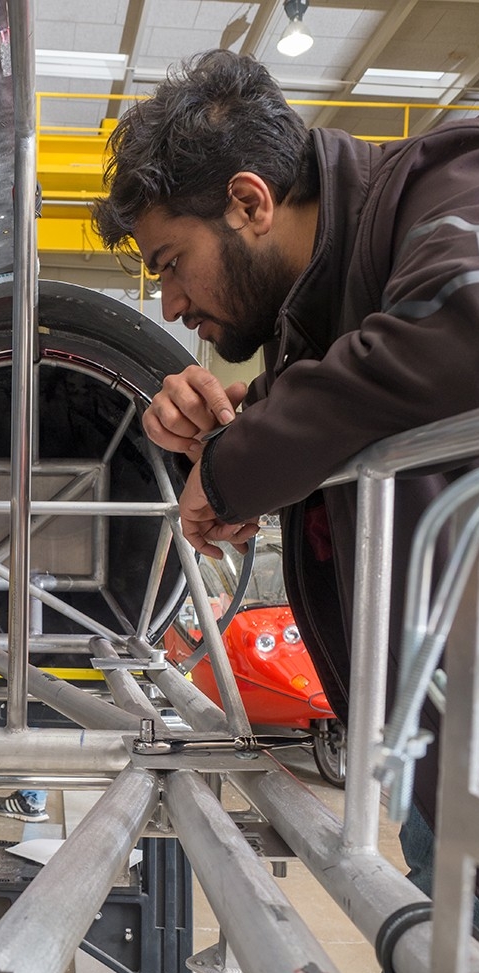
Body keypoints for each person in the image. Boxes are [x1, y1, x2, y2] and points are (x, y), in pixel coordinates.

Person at [92, 49, 479, 905]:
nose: (169, 304)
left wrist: (235, 467)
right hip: (438, 759)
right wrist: (220, 432)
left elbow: (459, 324)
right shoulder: (314, 318)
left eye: (168, 262)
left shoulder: (446, 175)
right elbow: (348, 407)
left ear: (248, 202)